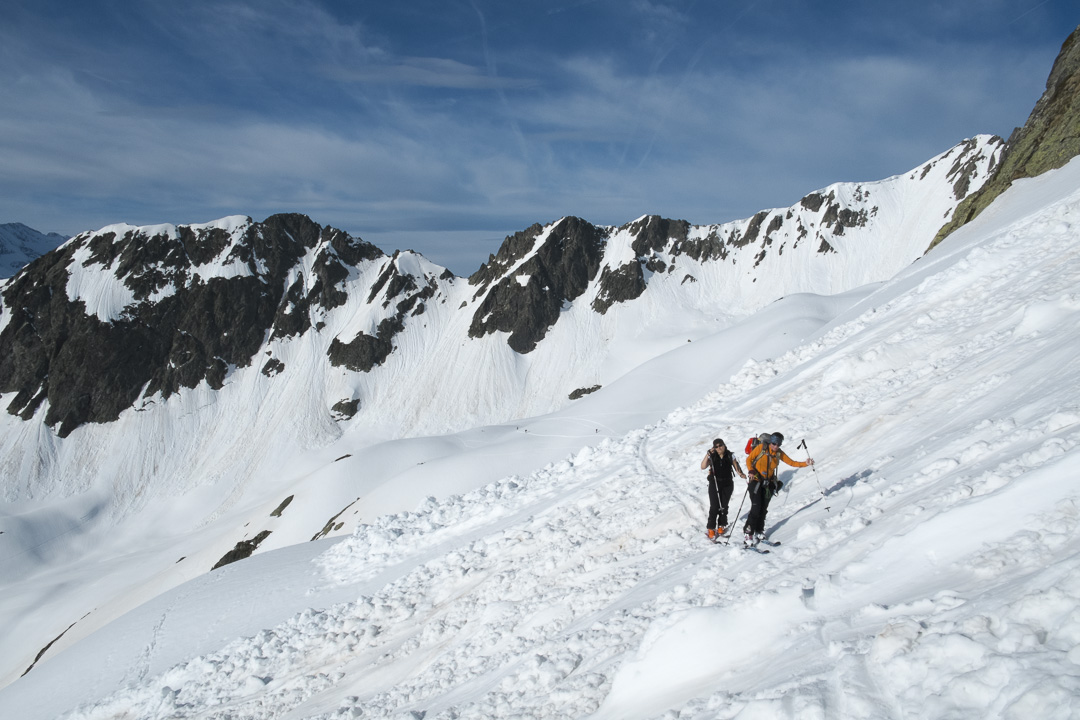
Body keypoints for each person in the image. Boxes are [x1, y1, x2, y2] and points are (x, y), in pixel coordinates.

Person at [743, 432, 814, 546]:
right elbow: (749, 459)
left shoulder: (778, 453)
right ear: (770, 442)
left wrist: (806, 463)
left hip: (768, 484)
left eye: (778, 444)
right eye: (774, 443)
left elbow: (791, 462)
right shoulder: (761, 448)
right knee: (756, 507)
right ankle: (748, 532)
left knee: (763, 508)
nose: (776, 446)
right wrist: (751, 470)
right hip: (755, 481)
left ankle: (759, 530)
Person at [701, 438, 746, 540]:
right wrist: (707, 454)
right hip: (715, 483)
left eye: (720, 445)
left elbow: (736, 466)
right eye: (716, 447)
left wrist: (741, 474)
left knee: (724, 505)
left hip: (727, 484)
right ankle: (711, 528)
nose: (719, 448)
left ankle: (721, 526)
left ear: (724, 445)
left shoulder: (730, 455)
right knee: (714, 506)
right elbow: (703, 466)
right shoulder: (712, 457)